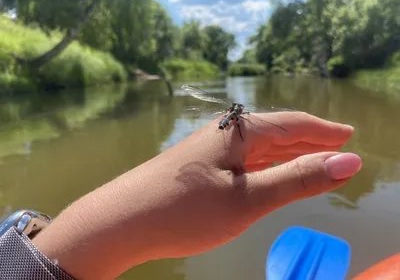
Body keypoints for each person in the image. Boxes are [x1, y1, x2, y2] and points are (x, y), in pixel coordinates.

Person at [0, 111, 362, 280]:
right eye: (234, 116)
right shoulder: (233, 120)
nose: (234, 117)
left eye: (233, 116)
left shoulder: (232, 119)